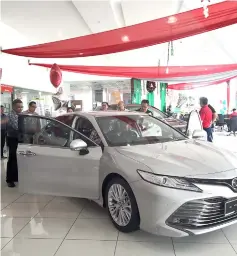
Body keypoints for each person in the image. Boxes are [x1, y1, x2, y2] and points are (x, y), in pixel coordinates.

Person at [6, 99, 23, 187]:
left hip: (19, 139)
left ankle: (16, 176)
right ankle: (10, 180)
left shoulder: (20, 115)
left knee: (18, 158)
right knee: (12, 159)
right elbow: (16, 127)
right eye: (18, 107)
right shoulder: (10, 115)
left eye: (21, 107)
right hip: (12, 139)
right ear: (13, 106)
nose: (20, 109)